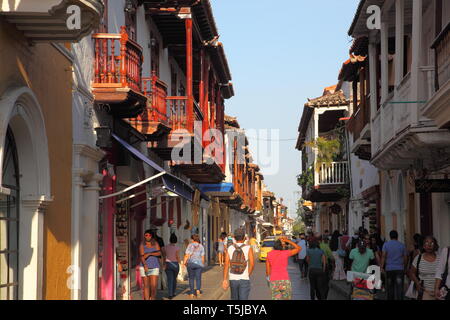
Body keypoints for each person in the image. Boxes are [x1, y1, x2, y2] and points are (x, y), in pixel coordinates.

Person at [222, 228, 255, 300]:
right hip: (244, 278)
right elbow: (252, 264)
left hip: (233, 278)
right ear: (244, 238)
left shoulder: (230, 248)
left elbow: (226, 264)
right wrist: (247, 274)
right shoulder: (248, 248)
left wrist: (224, 279)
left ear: (234, 237)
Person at [408, 236, 440, 300]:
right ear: (423, 246)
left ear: (435, 246)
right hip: (424, 292)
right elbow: (411, 273)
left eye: (432, 243)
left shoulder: (440, 259)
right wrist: (417, 283)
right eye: (426, 243)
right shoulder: (418, 258)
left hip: (439, 292)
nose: (429, 245)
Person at [381, 230, 408, 300]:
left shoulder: (386, 245)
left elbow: (383, 256)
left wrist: (381, 267)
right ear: (397, 236)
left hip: (389, 269)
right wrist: (405, 267)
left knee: (390, 288)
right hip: (399, 269)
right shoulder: (402, 245)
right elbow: (405, 258)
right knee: (399, 289)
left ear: (390, 236)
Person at [139, 229, 161, 300]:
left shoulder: (155, 243)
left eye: (149, 235)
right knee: (146, 286)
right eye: (146, 235)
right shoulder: (142, 244)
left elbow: (159, 253)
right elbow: (142, 256)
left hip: (155, 267)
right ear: (144, 236)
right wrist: (145, 265)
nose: (148, 236)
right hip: (144, 267)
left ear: (151, 236)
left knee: (154, 286)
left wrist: (149, 254)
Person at [183, 234, 205, 298]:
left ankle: (192, 293)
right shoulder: (201, 246)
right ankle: (198, 290)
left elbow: (187, 255)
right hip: (199, 264)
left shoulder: (190, 245)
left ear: (192, 239)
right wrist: (202, 264)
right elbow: (203, 257)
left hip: (191, 264)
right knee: (198, 278)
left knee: (191, 278)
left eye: (191, 239)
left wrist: (184, 262)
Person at [165, 233, 180, 299]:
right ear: (176, 240)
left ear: (170, 239)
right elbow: (177, 256)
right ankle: (173, 292)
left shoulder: (165, 247)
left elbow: (164, 255)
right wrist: (180, 262)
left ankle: (170, 294)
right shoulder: (177, 248)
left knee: (169, 279)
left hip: (168, 264)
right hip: (175, 264)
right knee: (174, 279)